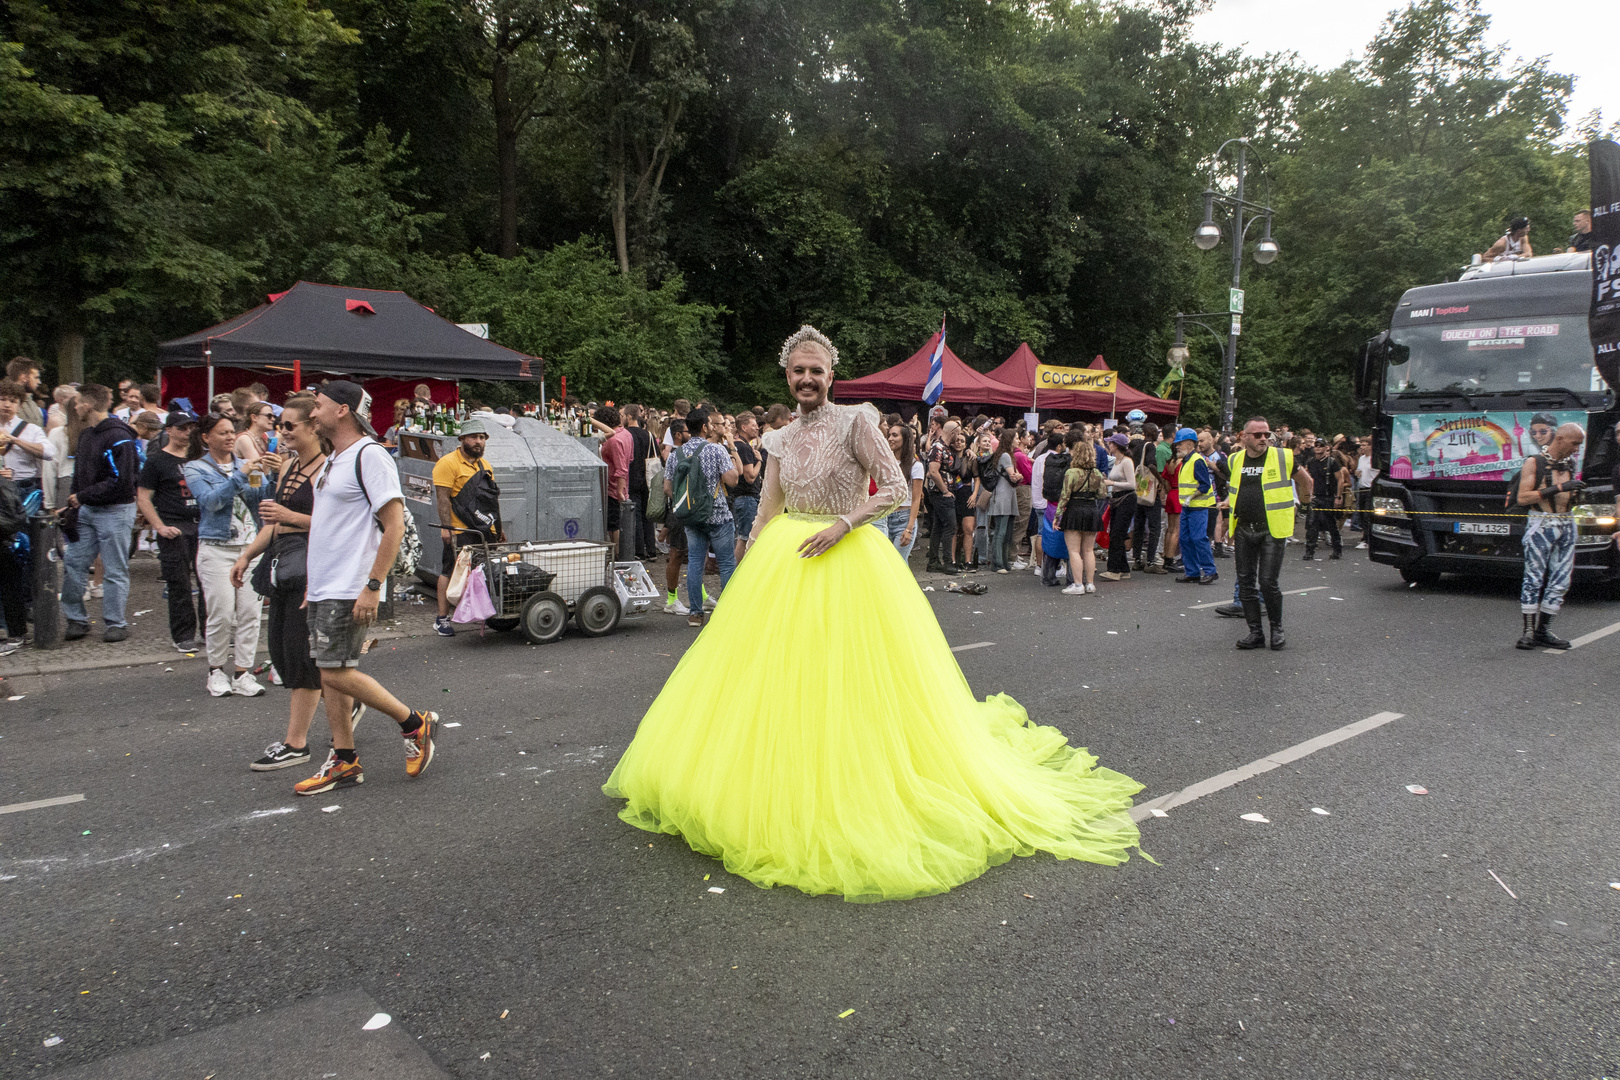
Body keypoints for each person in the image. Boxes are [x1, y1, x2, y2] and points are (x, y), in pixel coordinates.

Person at [602, 325, 1141, 901]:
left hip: (847, 555)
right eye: (797, 371)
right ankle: (784, 780)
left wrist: (843, 524)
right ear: (787, 376)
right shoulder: (779, 439)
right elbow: (769, 503)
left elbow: (889, 486)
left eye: (816, 371)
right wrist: (752, 543)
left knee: (849, 673)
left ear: (830, 376)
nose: (806, 380)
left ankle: (850, 782)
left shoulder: (856, 420)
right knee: (777, 675)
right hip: (785, 560)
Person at [293, 380, 440, 796]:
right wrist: (311, 582)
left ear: (342, 410)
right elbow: (325, 528)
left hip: (351, 583)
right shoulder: (333, 460)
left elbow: (393, 524)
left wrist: (374, 586)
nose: (311, 411)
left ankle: (414, 722)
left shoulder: (370, 455)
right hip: (325, 584)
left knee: (332, 670)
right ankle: (344, 760)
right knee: (330, 675)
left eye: (318, 404)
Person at [233, 395, 363, 770]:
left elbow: (340, 525)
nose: (282, 432)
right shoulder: (288, 467)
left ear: (312, 427)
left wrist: (290, 516)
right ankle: (351, 699)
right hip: (283, 564)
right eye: (279, 425)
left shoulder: (329, 470)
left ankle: (296, 743)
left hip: (312, 566)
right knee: (283, 651)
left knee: (300, 655)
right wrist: (246, 555)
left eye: (289, 425)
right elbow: (275, 524)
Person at [184, 413, 268, 697]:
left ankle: (243, 672)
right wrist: (240, 476)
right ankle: (216, 670)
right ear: (206, 438)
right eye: (223, 433)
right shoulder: (195, 468)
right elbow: (211, 502)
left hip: (250, 547)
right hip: (216, 548)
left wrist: (271, 473)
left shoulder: (246, 465)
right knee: (220, 613)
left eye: (232, 432)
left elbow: (260, 497)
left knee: (249, 613)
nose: (231, 437)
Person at [61, 385, 140, 643]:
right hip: (88, 509)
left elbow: (122, 481)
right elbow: (80, 475)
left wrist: (81, 497)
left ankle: (116, 623)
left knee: (115, 569)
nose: (75, 408)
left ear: (88, 405)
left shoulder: (119, 437)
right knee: (74, 563)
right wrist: (76, 503)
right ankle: (76, 619)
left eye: (78, 403)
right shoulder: (87, 435)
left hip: (114, 511)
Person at [1228, 417, 1313, 651]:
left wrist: (1305, 504)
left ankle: (1277, 628)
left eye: (1267, 434)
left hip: (1272, 529)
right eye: (1257, 435)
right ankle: (1255, 632)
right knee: (1245, 583)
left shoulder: (1283, 456)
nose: (1264, 438)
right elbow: (1235, 489)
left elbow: (1306, 481)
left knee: (1267, 582)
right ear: (1244, 437)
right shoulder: (1235, 459)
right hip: (1244, 528)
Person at [136, 410, 204, 652]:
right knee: (180, 584)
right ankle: (184, 634)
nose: (187, 432)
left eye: (190, 428)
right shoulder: (157, 461)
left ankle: (210, 630)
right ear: (169, 430)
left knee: (209, 581)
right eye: (182, 428)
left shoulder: (200, 457)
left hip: (201, 524)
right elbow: (143, 498)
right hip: (174, 524)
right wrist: (159, 527)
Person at [1515, 422, 1585, 650]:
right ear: (1561, 439)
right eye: (1575, 443)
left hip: (1567, 524)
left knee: (1561, 580)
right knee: (1533, 578)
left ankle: (1543, 631)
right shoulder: (1534, 462)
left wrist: (1576, 494)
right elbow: (1523, 498)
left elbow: (1569, 495)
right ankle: (1527, 632)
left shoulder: (1570, 463)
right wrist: (1560, 488)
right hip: (1541, 524)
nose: (1577, 449)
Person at [675, 407, 740, 628]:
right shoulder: (715, 450)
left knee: (694, 563)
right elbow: (732, 481)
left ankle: (695, 613)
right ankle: (730, 611)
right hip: (718, 514)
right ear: (704, 427)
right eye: (710, 425)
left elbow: (668, 487)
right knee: (726, 563)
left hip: (691, 516)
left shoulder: (677, 453)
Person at [431, 419, 496, 636]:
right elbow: (442, 499)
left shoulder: (485, 466)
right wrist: (446, 527)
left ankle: (474, 612)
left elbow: (490, 502)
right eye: (474, 437)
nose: (479, 442)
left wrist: (498, 527)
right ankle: (442, 619)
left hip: (483, 529)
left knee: (480, 572)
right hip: (459, 531)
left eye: (482, 438)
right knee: (449, 571)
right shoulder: (447, 463)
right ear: (462, 439)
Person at [1055, 431, 1105, 595]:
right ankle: (1090, 583)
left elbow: (1064, 496)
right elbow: (1102, 494)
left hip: (1075, 510)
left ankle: (1078, 585)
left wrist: (1057, 517)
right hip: (1092, 510)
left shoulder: (1071, 473)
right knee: (1088, 550)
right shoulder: (1096, 473)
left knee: (1074, 551)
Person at [1174, 427, 1218, 584]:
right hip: (1188, 507)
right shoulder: (1187, 461)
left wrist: (1191, 497)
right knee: (1185, 539)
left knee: (1199, 539)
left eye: (1180, 443)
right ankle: (1192, 572)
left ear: (1189, 444)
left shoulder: (1196, 461)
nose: (1177, 446)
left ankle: (1210, 571)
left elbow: (1205, 485)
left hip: (1198, 506)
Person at [0, 377, 54, 501]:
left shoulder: (31, 429)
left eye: (13, 401)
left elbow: (49, 453)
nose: (7, 405)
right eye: (2, 399)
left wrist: (15, 440)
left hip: (23, 488)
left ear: (20, 406)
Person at [883, 422, 924, 560]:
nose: (890, 438)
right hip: (884, 518)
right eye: (889, 435)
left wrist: (909, 528)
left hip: (904, 518)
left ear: (905, 439)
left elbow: (916, 498)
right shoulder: (885, 463)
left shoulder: (915, 466)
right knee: (885, 564)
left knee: (898, 563)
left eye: (895, 435)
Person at [923, 421, 960, 574]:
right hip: (940, 493)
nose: (959, 436)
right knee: (950, 526)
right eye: (958, 432)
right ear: (953, 432)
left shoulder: (944, 447)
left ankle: (933, 561)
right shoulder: (938, 447)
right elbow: (933, 471)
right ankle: (947, 562)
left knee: (938, 526)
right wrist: (945, 490)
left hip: (941, 491)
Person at [1303, 440, 1349, 560]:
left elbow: (1340, 479)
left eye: (1321, 446)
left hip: (1328, 497)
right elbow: (1307, 479)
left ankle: (1337, 550)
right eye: (1316, 446)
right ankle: (1309, 551)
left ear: (1326, 448)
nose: (1318, 448)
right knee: (1312, 524)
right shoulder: (1310, 462)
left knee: (1331, 524)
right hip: (1315, 497)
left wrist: (1338, 497)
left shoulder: (1332, 462)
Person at [728, 412, 764, 564]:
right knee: (745, 538)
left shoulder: (737, 446)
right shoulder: (743, 447)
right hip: (747, 497)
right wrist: (759, 461)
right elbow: (750, 476)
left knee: (743, 536)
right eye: (754, 425)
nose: (757, 428)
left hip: (740, 497)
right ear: (743, 427)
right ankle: (739, 572)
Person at [1099, 431, 1135, 580]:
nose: (1108, 445)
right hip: (1117, 498)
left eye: (1111, 443)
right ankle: (1123, 568)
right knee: (1116, 533)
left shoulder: (1127, 461)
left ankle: (1113, 569)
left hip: (1126, 499)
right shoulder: (1116, 461)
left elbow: (1132, 484)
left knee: (1116, 534)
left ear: (1116, 445)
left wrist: (1112, 483)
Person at [983, 429, 1019, 573]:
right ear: (1010, 440)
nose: (1018, 440)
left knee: (1006, 531)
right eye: (1016, 438)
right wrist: (1020, 475)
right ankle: (998, 563)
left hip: (1006, 494)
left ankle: (1003, 561)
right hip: (1003, 495)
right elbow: (1013, 476)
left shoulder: (1004, 455)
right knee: (1001, 531)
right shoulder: (1005, 456)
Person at [1131, 423, 1166, 573]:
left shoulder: (1137, 446)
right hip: (1149, 491)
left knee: (1138, 526)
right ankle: (1151, 561)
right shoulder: (1150, 446)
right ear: (1152, 432)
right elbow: (1151, 465)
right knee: (1154, 527)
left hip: (1138, 491)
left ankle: (1137, 559)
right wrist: (1161, 480)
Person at [597, 406, 632, 555]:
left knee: (614, 523)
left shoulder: (613, 439)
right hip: (621, 484)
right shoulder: (626, 433)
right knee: (617, 520)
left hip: (613, 486)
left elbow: (620, 467)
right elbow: (629, 459)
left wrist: (619, 490)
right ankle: (618, 552)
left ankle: (617, 553)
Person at [8, 357, 44, 428]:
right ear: (24, 377)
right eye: (36, 378)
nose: (39, 382)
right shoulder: (7, 404)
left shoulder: (32, 403)